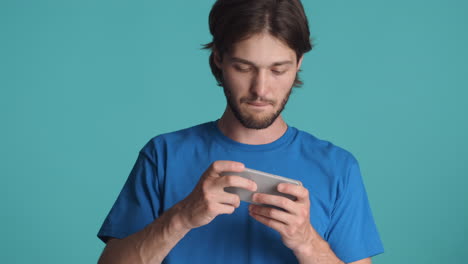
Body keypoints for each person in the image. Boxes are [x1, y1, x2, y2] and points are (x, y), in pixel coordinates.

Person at [97, 0, 384, 263]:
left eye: (278, 70)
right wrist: (182, 217)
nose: (260, 89)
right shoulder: (163, 155)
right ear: (219, 59)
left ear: (298, 64)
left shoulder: (338, 168)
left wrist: (306, 241)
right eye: (244, 68)